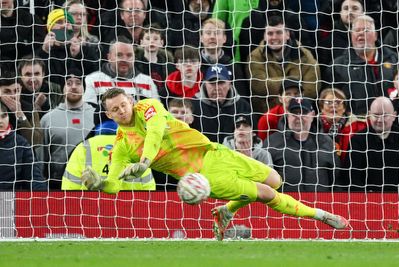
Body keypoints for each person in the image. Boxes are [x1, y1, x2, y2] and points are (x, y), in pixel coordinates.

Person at [81, 88, 348, 241]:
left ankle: (225, 211)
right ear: (108, 114)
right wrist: (100, 184)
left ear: (131, 101)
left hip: (214, 151)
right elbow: (114, 183)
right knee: (267, 194)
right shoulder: (121, 145)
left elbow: (154, 133)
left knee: (275, 180)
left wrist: (145, 161)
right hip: (202, 176)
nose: (121, 111)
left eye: (123, 105)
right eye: (115, 110)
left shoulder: (149, 107)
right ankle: (322, 216)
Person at [323, 15, 398, 116]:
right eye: (357, 30)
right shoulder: (337, 67)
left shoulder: (395, 60)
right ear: (351, 35)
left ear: (375, 35)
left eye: (366, 30)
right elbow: (328, 101)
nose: (361, 33)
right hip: (356, 127)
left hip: (394, 124)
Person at [247, 15, 320, 114]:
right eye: (270, 33)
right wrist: (295, 81)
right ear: (264, 36)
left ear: (288, 35)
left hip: (300, 112)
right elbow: (260, 86)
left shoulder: (305, 55)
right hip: (267, 114)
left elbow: (311, 90)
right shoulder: (255, 57)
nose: (274, 37)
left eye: (279, 33)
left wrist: (285, 101)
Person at [264, 97, 341, 192]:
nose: (298, 117)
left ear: (312, 115)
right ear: (287, 115)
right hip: (284, 204)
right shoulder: (272, 142)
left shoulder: (326, 142)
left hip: (321, 203)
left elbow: (337, 179)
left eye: (303, 112)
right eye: (294, 113)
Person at [62, 120, 155, 190]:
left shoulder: (84, 147)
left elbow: (69, 187)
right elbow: (149, 187)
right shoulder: (135, 148)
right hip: (130, 210)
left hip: (90, 209)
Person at [41, 68, 95, 189]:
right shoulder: (48, 119)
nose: (74, 87)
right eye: (69, 83)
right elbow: (41, 157)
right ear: (62, 88)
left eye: (78, 83)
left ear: (84, 88)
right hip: (57, 184)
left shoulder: (96, 116)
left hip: (91, 184)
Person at [84, 35, 159, 108]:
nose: (124, 59)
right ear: (109, 57)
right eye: (119, 55)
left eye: (129, 55)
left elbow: (158, 113)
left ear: (134, 58)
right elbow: (88, 114)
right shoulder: (92, 80)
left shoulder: (147, 82)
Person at [343, 97, 399, 192]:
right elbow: (351, 179)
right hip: (368, 201)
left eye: (385, 115)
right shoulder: (357, 140)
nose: (380, 120)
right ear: (369, 115)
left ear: (394, 115)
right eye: (376, 115)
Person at [38, 8, 100, 87]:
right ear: (50, 28)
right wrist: (44, 52)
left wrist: (78, 55)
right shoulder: (42, 52)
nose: (64, 25)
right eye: (59, 22)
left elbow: (96, 74)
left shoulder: (85, 49)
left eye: (68, 22)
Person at [191, 64, 251, 143]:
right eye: (212, 83)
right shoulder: (193, 105)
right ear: (205, 84)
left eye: (221, 83)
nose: (217, 88)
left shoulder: (242, 105)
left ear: (229, 84)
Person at [0, 103, 46, 191]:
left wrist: (43, 199)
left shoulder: (21, 143)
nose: (1, 121)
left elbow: (34, 178)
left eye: (4, 116)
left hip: (10, 200)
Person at [199, 18, 247, 98]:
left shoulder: (233, 67)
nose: (212, 37)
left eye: (217, 33)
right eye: (208, 33)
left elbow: (241, 98)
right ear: (201, 38)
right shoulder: (194, 65)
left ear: (224, 38)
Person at [317, 88, 367, 161]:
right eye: (329, 102)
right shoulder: (312, 126)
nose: (333, 106)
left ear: (344, 108)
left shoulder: (358, 127)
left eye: (338, 102)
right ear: (321, 107)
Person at [0, 71, 43, 147]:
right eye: (7, 92)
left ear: (21, 89)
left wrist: (19, 114)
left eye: (16, 91)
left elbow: (37, 143)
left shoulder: (30, 109)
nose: (13, 95)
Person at [136, 24, 175, 91]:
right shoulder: (135, 64)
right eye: (148, 39)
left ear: (161, 43)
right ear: (141, 42)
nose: (152, 41)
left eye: (156, 39)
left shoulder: (169, 66)